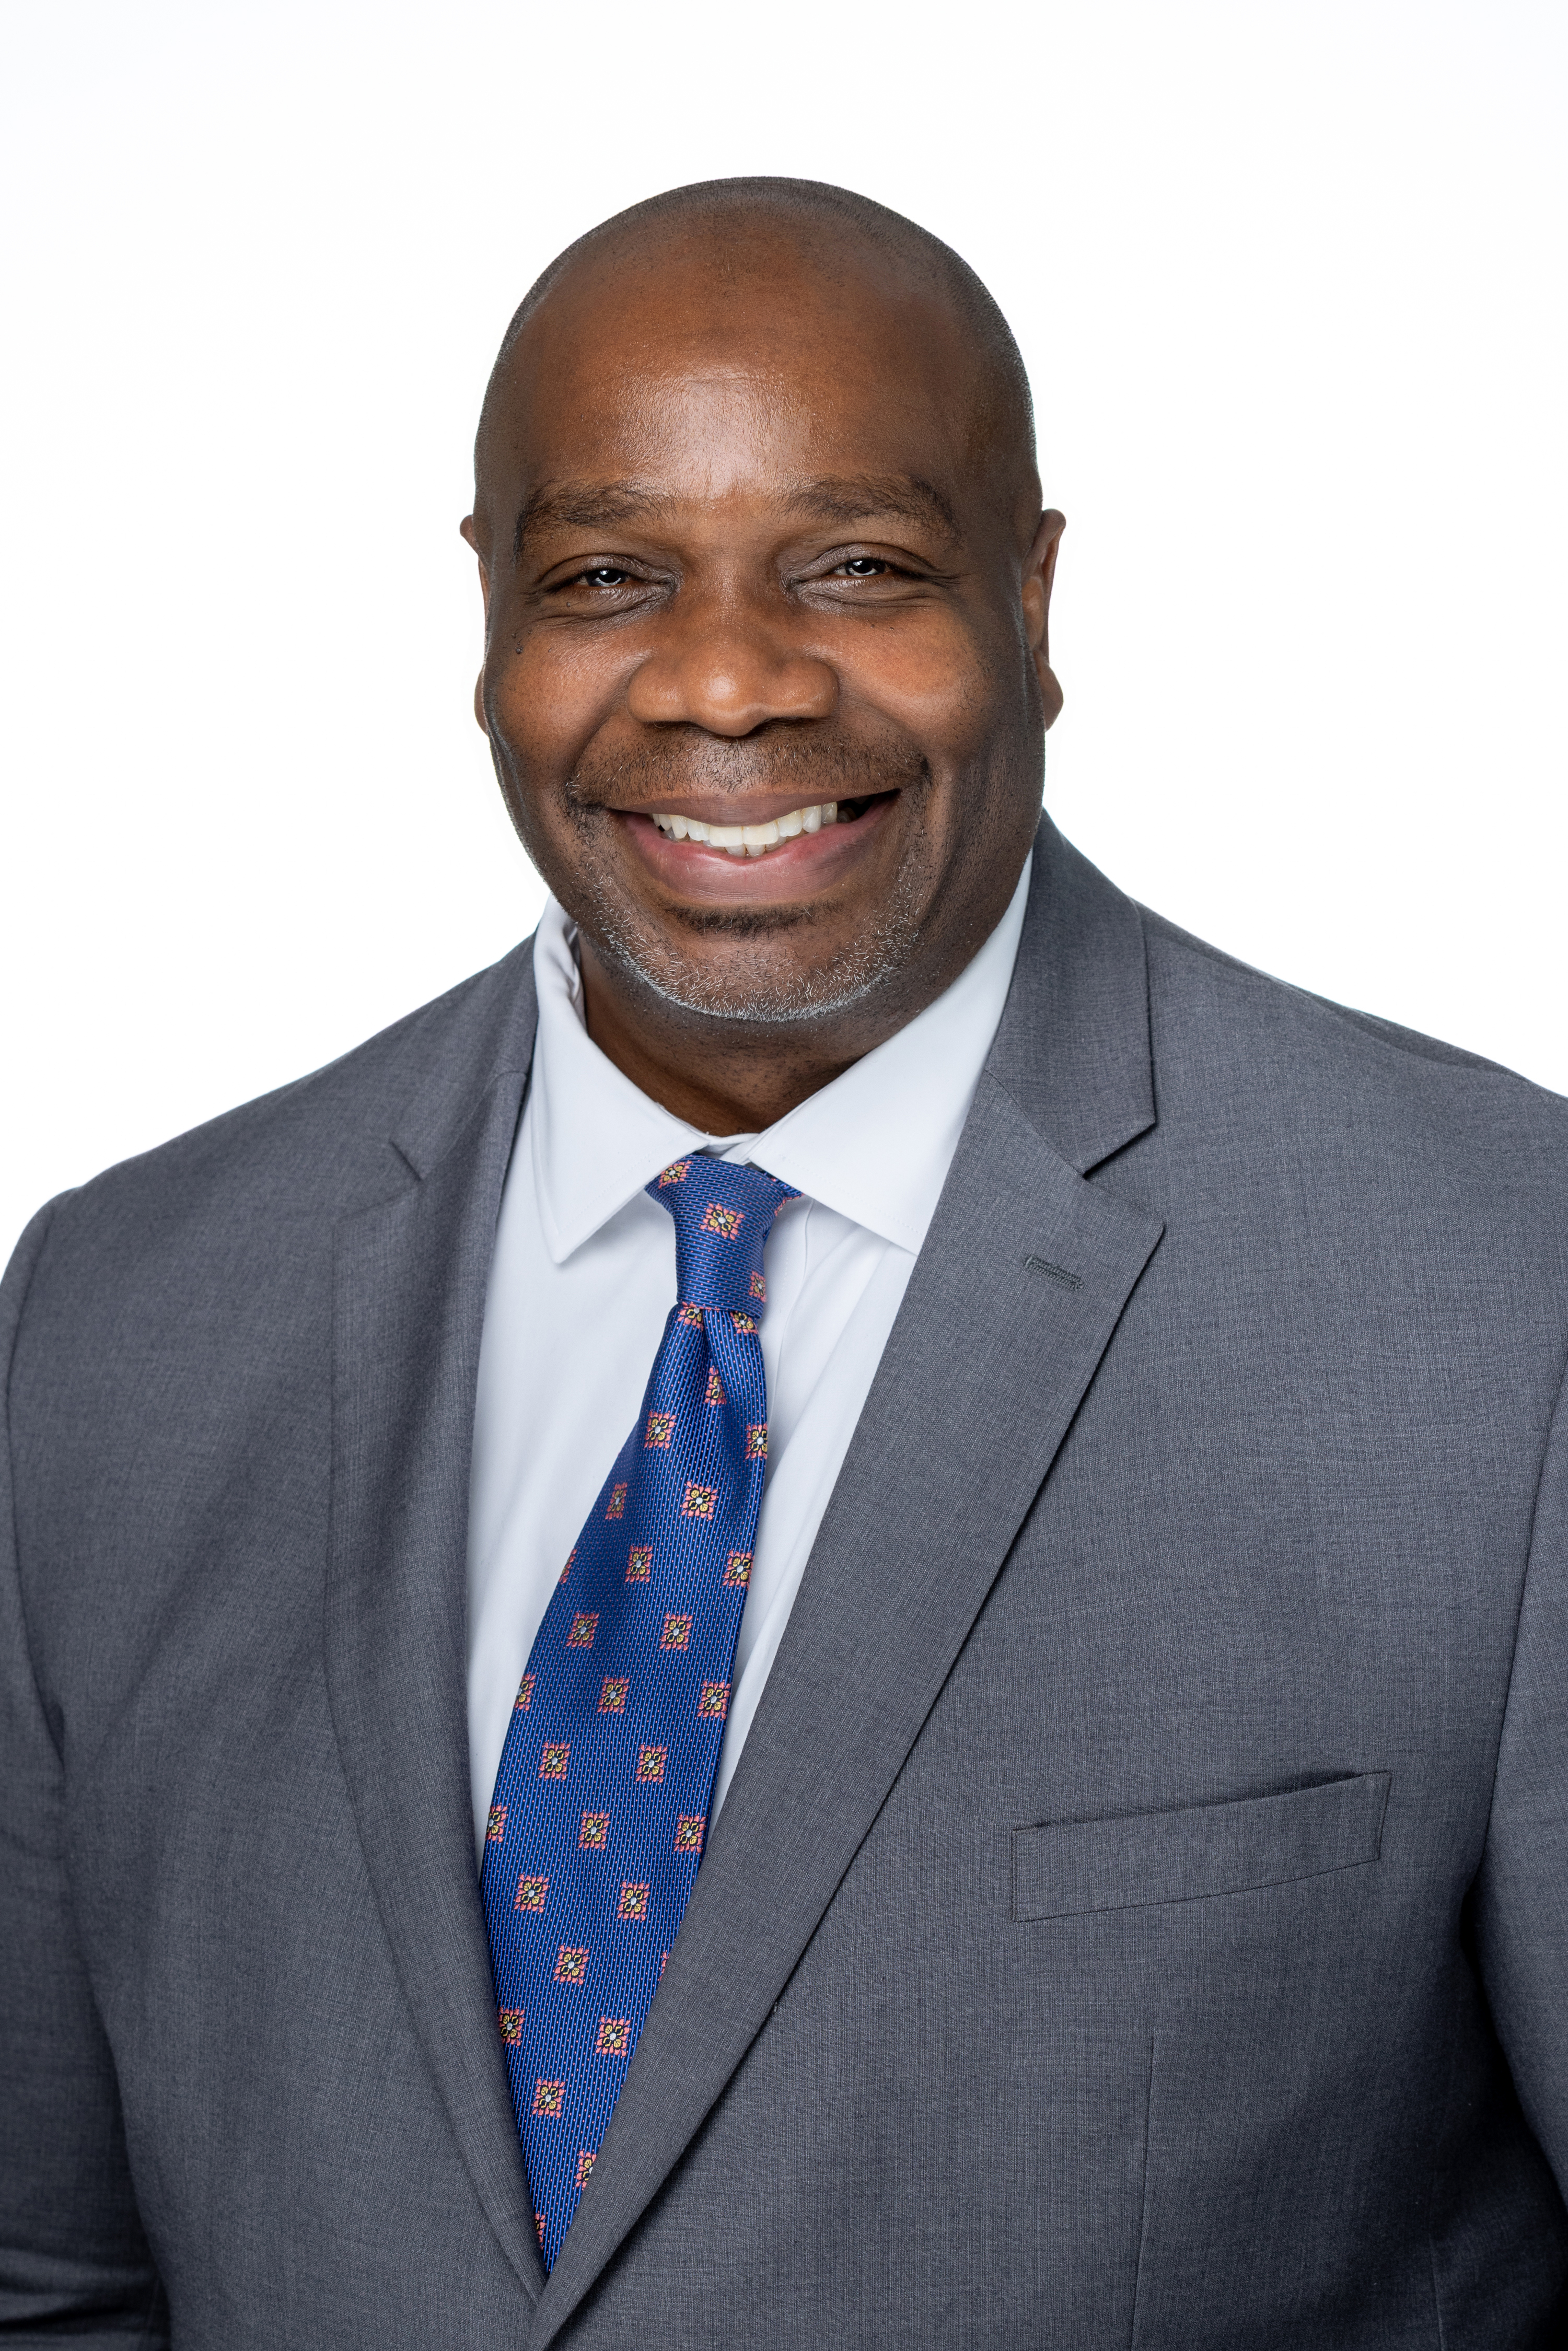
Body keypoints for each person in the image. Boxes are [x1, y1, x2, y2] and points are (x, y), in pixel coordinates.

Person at [2, 176, 1565, 2350]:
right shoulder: (117, 1320)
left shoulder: (1501, 1301)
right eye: (607, 575)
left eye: (856, 566)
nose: (726, 681)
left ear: (1030, 597)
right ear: (488, 613)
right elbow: (50, 2285)